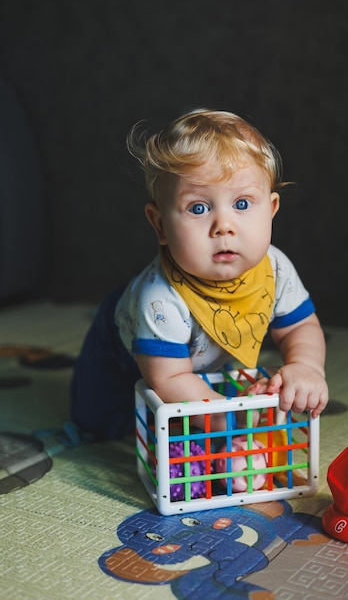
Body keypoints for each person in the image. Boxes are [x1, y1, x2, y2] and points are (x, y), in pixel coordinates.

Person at [71, 108, 328, 439]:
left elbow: (300, 327)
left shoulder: (275, 268)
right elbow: (169, 379)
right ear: (160, 225)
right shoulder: (160, 299)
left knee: (205, 389)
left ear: (272, 210)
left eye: (242, 204)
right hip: (120, 349)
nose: (224, 226)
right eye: (198, 208)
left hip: (201, 355)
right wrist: (230, 421)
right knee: (96, 420)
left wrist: (305, 367)